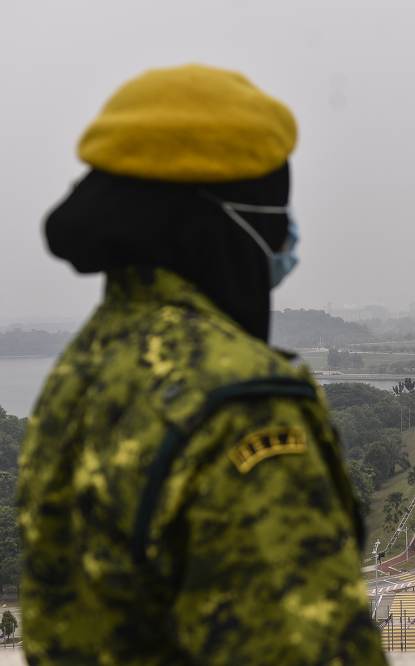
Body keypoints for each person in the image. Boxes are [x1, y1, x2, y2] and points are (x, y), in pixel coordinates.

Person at [17, 65, 387, 665]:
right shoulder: (240, 401)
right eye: (274, 213)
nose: (286, 239)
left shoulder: (83, 373)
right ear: (228, 220)